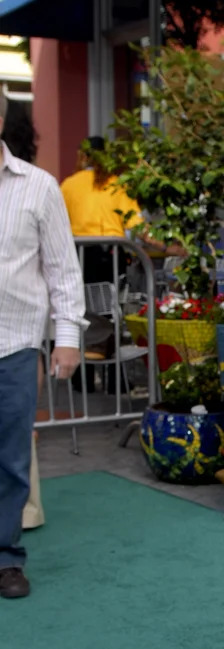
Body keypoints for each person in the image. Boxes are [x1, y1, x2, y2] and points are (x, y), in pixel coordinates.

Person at [0, 93, 86, 599]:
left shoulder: (39, 186)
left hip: (13, 345)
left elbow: (61, 269)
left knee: (10, 461)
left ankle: (7, 559)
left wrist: (68, 338)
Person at [59, 137, 143, 284]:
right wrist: (165, 246)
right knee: (112, 303)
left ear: (83, 157)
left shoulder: (68, 185)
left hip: (79, 257)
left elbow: (55, 224)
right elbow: (138, 226)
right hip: (112, 257)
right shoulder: (117, 184)